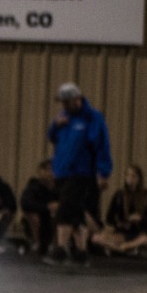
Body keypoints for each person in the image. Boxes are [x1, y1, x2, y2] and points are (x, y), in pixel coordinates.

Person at [43, 82, 112, 267]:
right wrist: (55, 125)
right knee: (77, 213)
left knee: (65, 209)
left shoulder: (92, 118)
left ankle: (60, 249)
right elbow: (51, 137)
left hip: (81, 172)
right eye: (62, 103)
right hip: (63, 172)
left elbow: (101, 146)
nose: (64, 106)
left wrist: (103, 172)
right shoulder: (63, 117)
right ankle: (81, 253)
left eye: (67, 102)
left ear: (77, 99)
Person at [92, 165, 147, 255]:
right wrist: (120, 223)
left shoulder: (145, 196)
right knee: (96, 238)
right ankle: (125, 249)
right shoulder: (119, 195)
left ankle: (119, 248)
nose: (130, 178)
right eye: (128, 175)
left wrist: (141, 219)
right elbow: (109, 218)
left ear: (139, 179)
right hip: (122, 233)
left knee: (144, 239)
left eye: (133, 176)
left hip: (138, 233)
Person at [18, 159, 58, 256]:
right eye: (47, 170)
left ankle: (58, 244)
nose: (50, 173)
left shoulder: (60, 187)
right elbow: (25, 203)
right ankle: (37, 242)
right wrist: (47, 207)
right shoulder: (33, 187)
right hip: (40, 220)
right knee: (30, 213)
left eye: (52, 170)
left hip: (55, 220)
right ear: (40, 172)